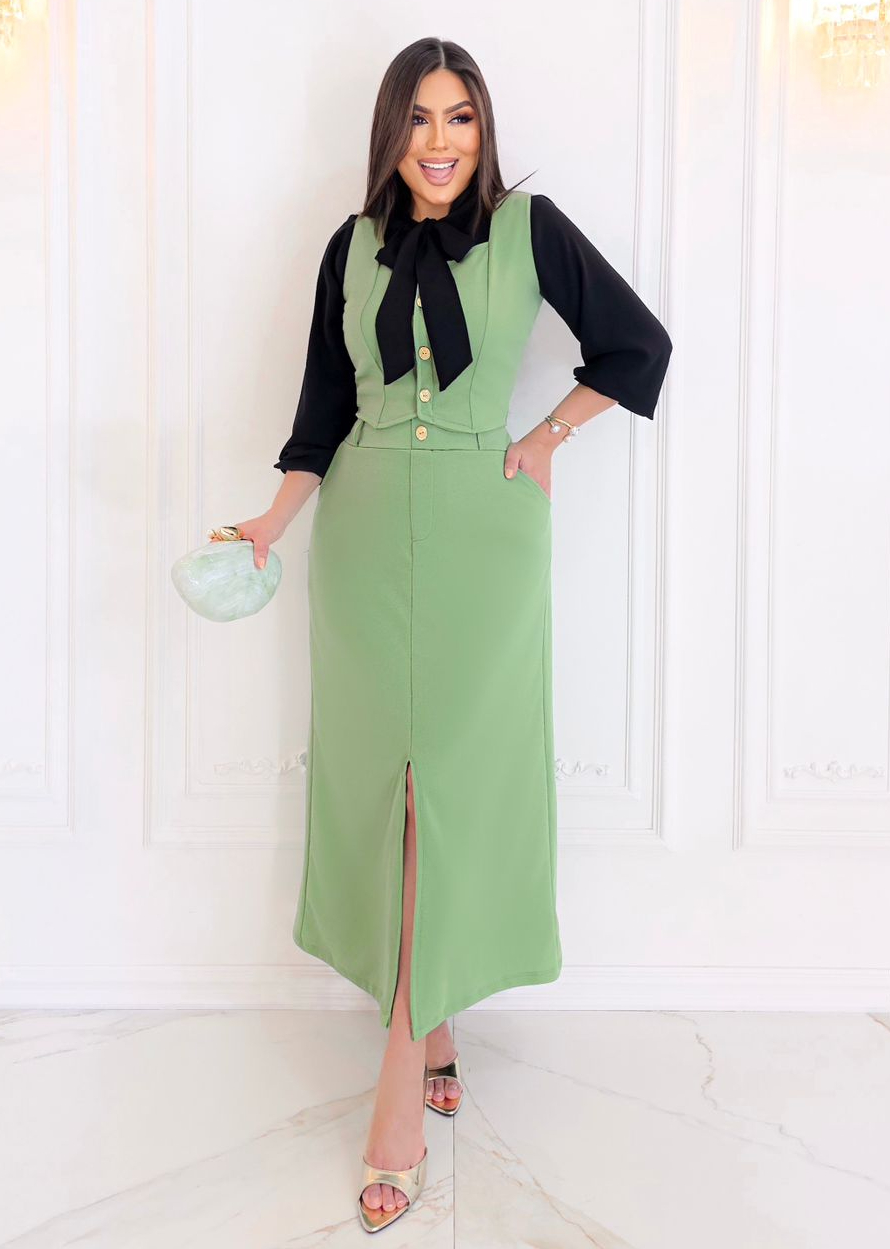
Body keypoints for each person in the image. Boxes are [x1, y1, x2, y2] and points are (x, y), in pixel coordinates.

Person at [236, 37, 672, 1235]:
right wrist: (270, 522)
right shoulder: (350, 246)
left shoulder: (532, 228)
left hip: (487, 539)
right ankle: (424, 1023)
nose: (440, 142)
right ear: (390, 132)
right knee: (387, 788)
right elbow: (323, 408)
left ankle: (396, 1088)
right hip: (365, 537)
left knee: (456, 790)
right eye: (420, 119)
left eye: (461, 118)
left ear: (484, 130)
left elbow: (636, 346)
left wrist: (544, 437)